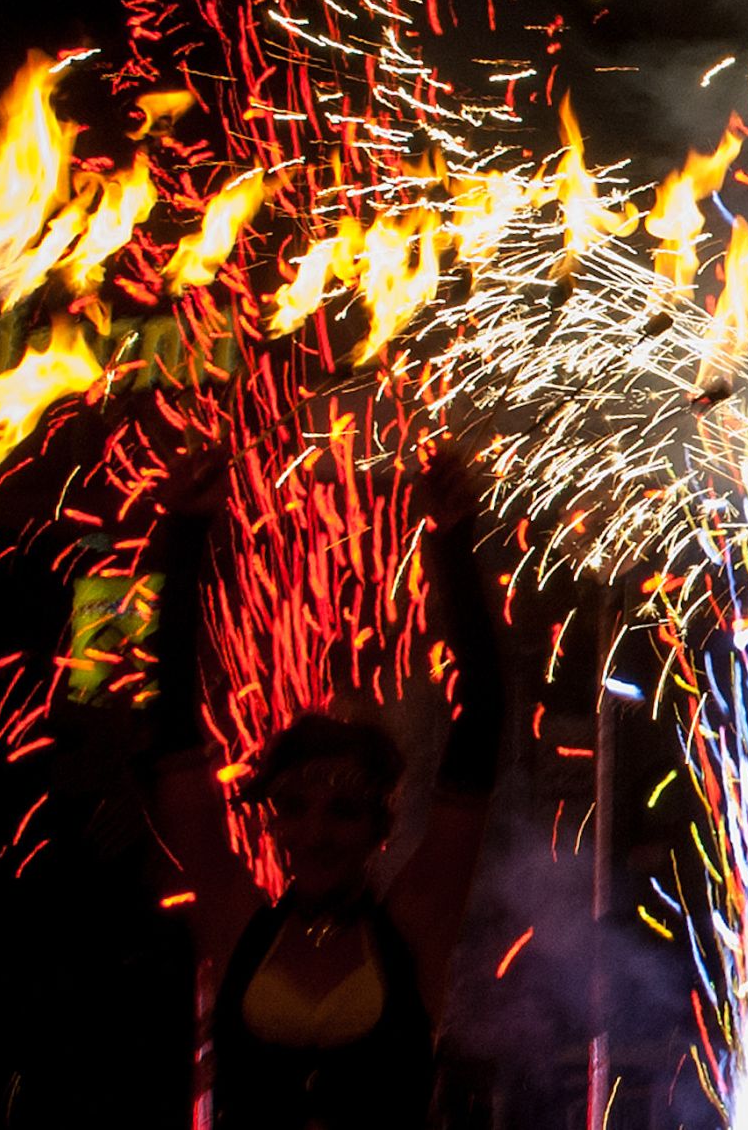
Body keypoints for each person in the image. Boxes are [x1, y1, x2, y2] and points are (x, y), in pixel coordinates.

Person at [147, 447, 502, 1130]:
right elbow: (174, 748)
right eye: (294, 810)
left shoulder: (416, 925)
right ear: (273, 823)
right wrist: (187, 532)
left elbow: (480, 721)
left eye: (342, 812)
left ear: (379, 826)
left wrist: (455, 539)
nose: (315, 833)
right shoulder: (236, 922)